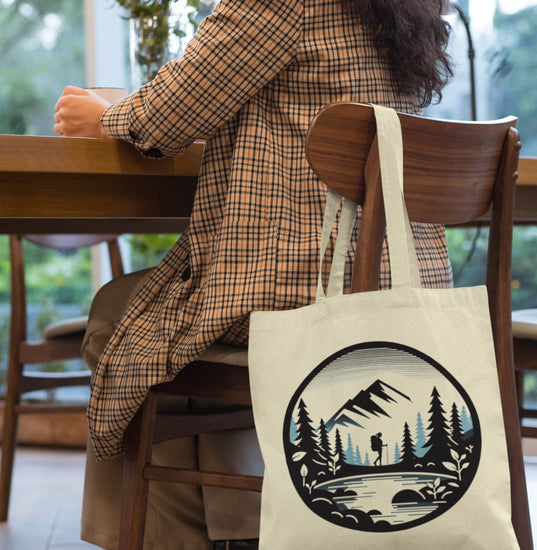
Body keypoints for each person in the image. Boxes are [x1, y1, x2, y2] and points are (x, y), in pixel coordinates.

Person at [53, 0, 453, 548]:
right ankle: (239, 531)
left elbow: (169, 114)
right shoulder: (411, 8)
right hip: (395, 296)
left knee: (119, 316)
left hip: (298, 293)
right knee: (177, 321)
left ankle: (169, 539)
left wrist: (103, 115)